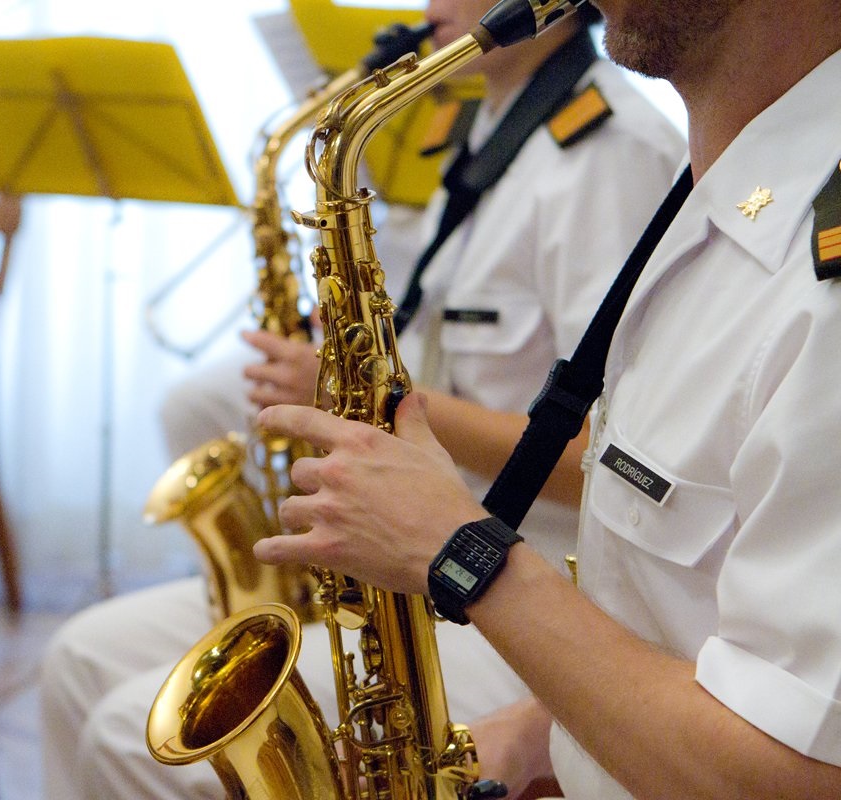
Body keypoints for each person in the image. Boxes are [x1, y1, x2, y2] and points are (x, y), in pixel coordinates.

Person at [38, 1, 686, 796]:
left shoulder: (607, 155)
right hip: (423, 539)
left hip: (528, 573)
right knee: (78, 658)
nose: (428, 7)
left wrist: (379, 399)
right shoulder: (485, 133)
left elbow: (602, 457)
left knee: (130, 737)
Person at [253, 0, 841, 797]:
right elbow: (677, 620)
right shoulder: (727, 185)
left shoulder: (815, 276)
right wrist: (542, 733)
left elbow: (796, 775)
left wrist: (461, 550)